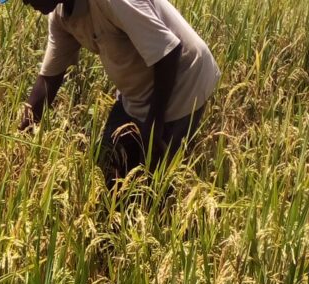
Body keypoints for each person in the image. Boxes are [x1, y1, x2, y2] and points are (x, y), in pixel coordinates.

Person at [18, 0, 220, 189]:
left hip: (181, 81)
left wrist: (154, 126)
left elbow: (168, 52)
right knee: (107, 167)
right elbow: (48, 80)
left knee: (149, 184)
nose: (25, 2)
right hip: (136, 92)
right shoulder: (62, 16)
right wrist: (18, 140)